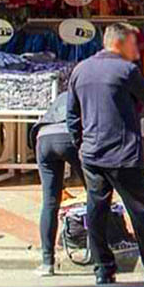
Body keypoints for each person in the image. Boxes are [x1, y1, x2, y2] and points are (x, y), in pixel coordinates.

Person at [66, 22, 144, 286]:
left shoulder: (81, 69)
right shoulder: (126, 70)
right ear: (119, 43)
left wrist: (81, 143)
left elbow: (72, 114)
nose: (137, 48)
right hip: (123, 153)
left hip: (92, 153)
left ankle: (102, 269)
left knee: (96, 211)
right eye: (133, 43)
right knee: (141, 212)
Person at [31, 90, 83, 277]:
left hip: (43, 138)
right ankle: (100, 260)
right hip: (68, 135)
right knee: (95, 194)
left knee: (50, 202)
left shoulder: (61, 96)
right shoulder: (84, 94)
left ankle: (47, 262)